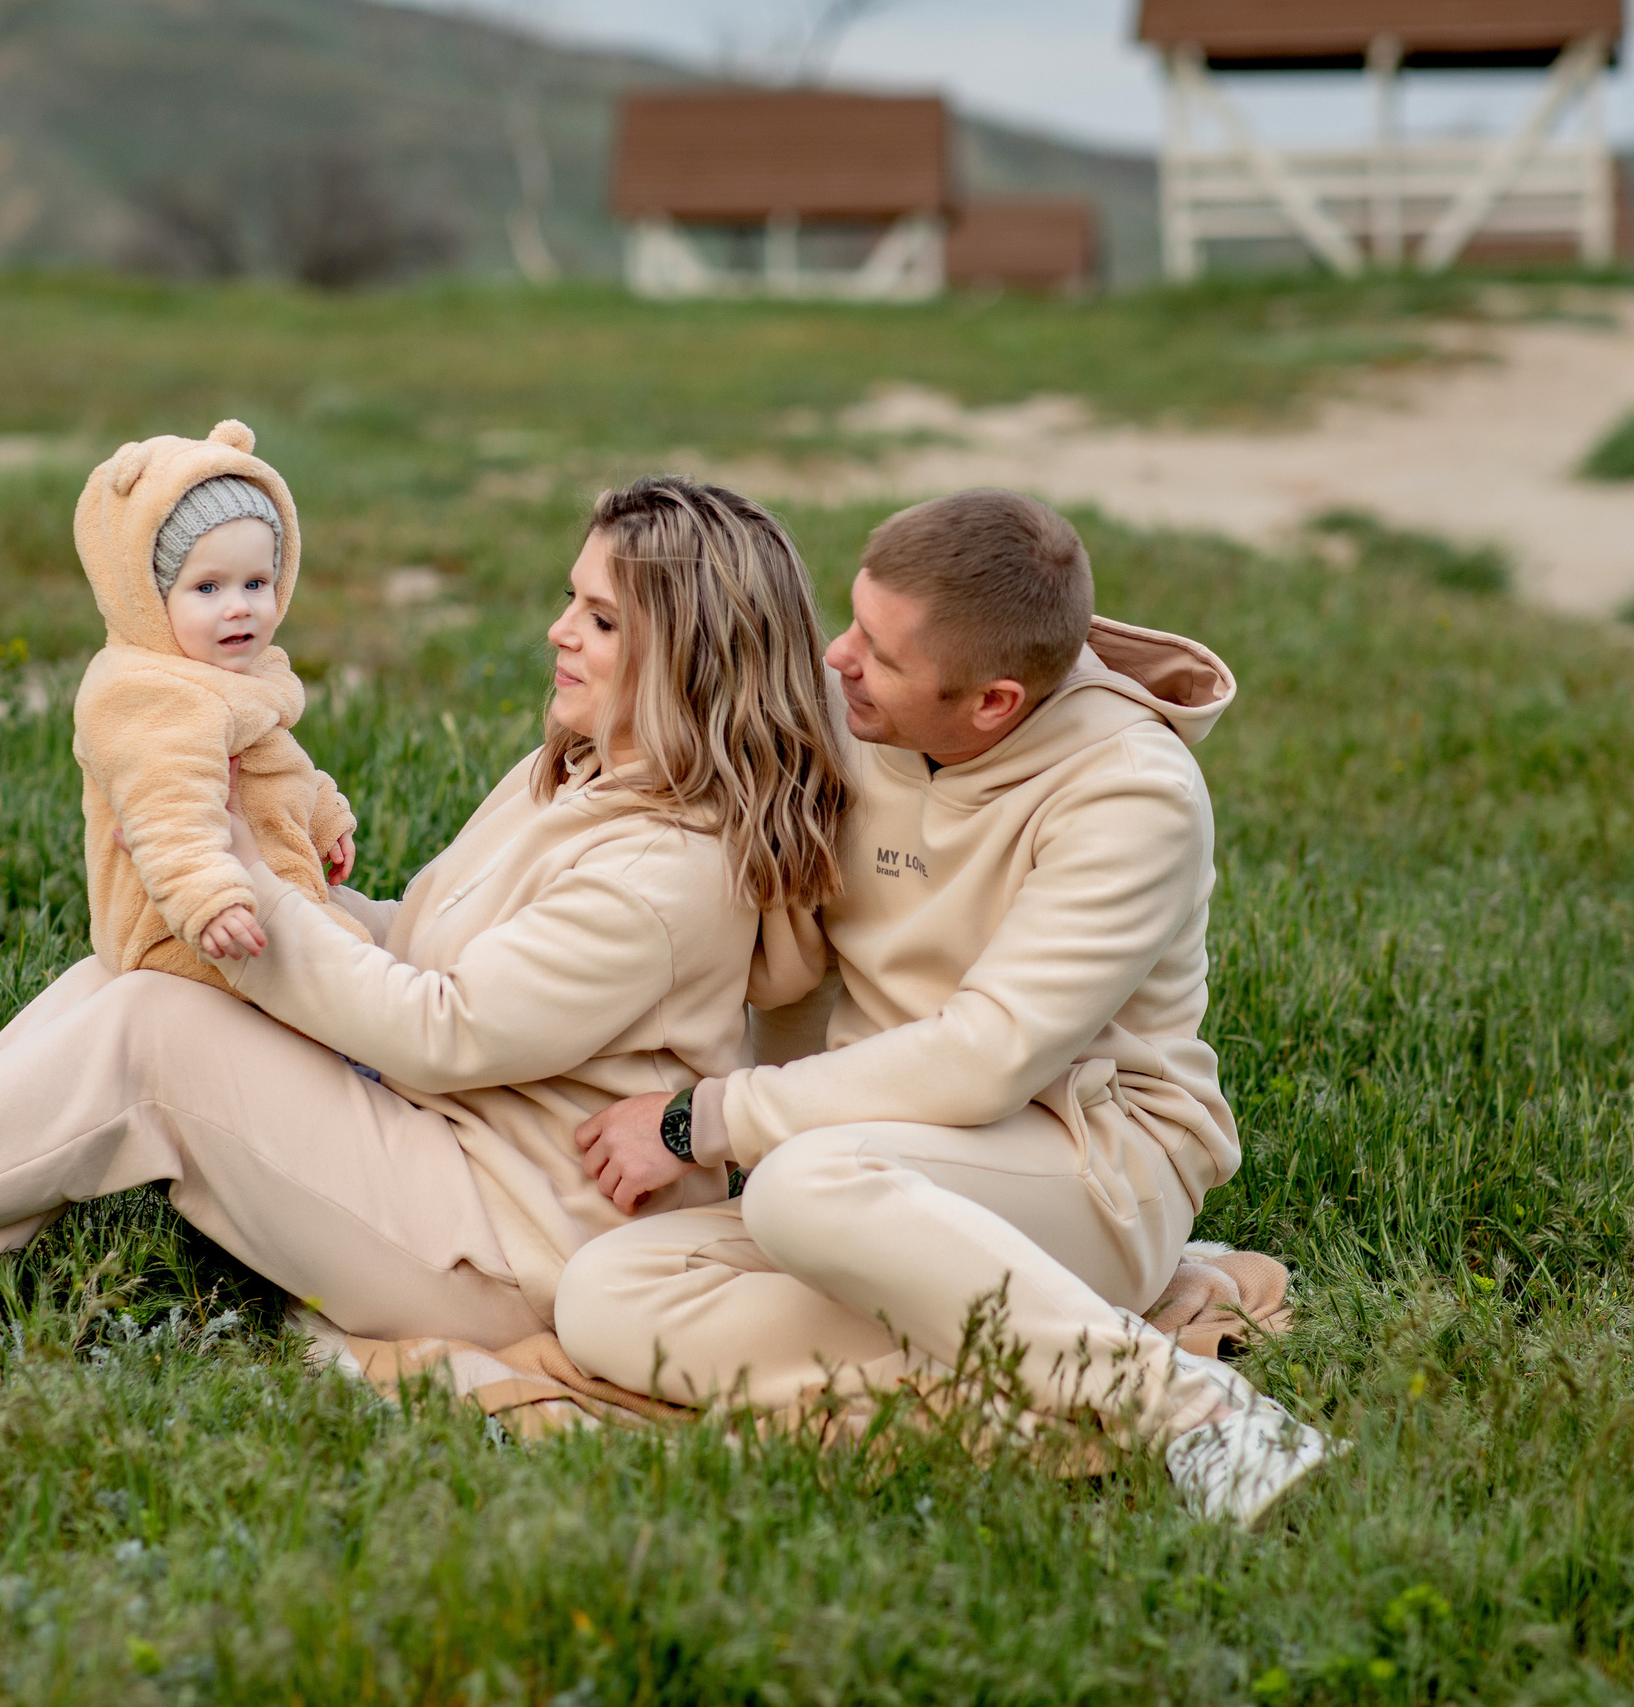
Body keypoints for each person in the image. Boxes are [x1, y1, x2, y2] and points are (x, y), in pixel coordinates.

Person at [0, 477, 850, 1362]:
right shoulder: (577, 766)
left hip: (496, 1247)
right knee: (124, 978)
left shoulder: (673, 873)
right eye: (571, 595)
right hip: (431, 1148)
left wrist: (247, 887)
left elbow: (447, 1033)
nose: (558, 631)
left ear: (686, 657)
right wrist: (318, 902)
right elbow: (444, 950)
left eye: (602, 617)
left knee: (160, 1024)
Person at [555, 489, 1337, 1525]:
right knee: (603, 1294)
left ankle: (1191, 1411)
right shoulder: (863, 718)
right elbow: (786, 974)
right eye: (850, 621)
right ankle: (1029, 1362)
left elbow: (984, 1058)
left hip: (1092, 1167)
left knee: (800, 1186)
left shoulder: (1130, 795)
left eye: (877, 655)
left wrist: (701, 1120)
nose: (835, 660)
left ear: (993, 704)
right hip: (871, 1165)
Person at [71, 419, 359, 984]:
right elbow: (167, 810)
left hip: (249, 888)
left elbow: (269, 761)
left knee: (345, 953)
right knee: (341, 969)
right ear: (148, 595)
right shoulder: (146, 695)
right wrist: (208, 899)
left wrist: (321, 812)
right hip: (175, 928)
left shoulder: (226, 673)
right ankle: (356, 1061)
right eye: (207, 588)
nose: (239, 607)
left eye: (256, 583)